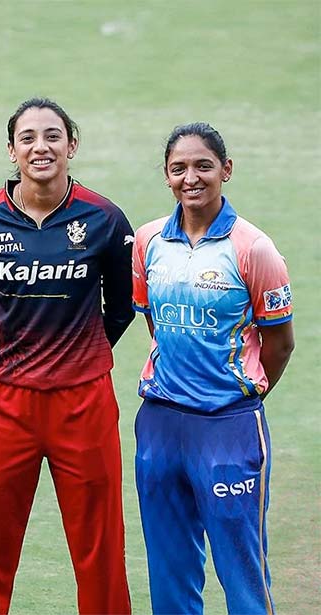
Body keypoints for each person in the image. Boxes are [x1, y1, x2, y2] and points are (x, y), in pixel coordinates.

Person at [0, 98, 134, 614]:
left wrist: (76, 356)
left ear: (71, 146)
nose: (41, 147)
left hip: (84, 403)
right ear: (11, 150)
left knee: (99, 543)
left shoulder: (105, 219)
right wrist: (14, 360)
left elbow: (119, 309)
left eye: (52, 136)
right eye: (28, 137)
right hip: (2, 404)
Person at [132, 122, 295, 615]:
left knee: (241, 570)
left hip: (229, 427)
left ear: (226, 170)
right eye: (179, 168)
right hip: (160, 423)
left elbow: (280, 344)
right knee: (168, 567)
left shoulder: (254, 248)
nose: (191, 178)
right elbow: (156, 327)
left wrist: (237, 394)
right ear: (166, 176)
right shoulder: (147, 242)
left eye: (204, 166)